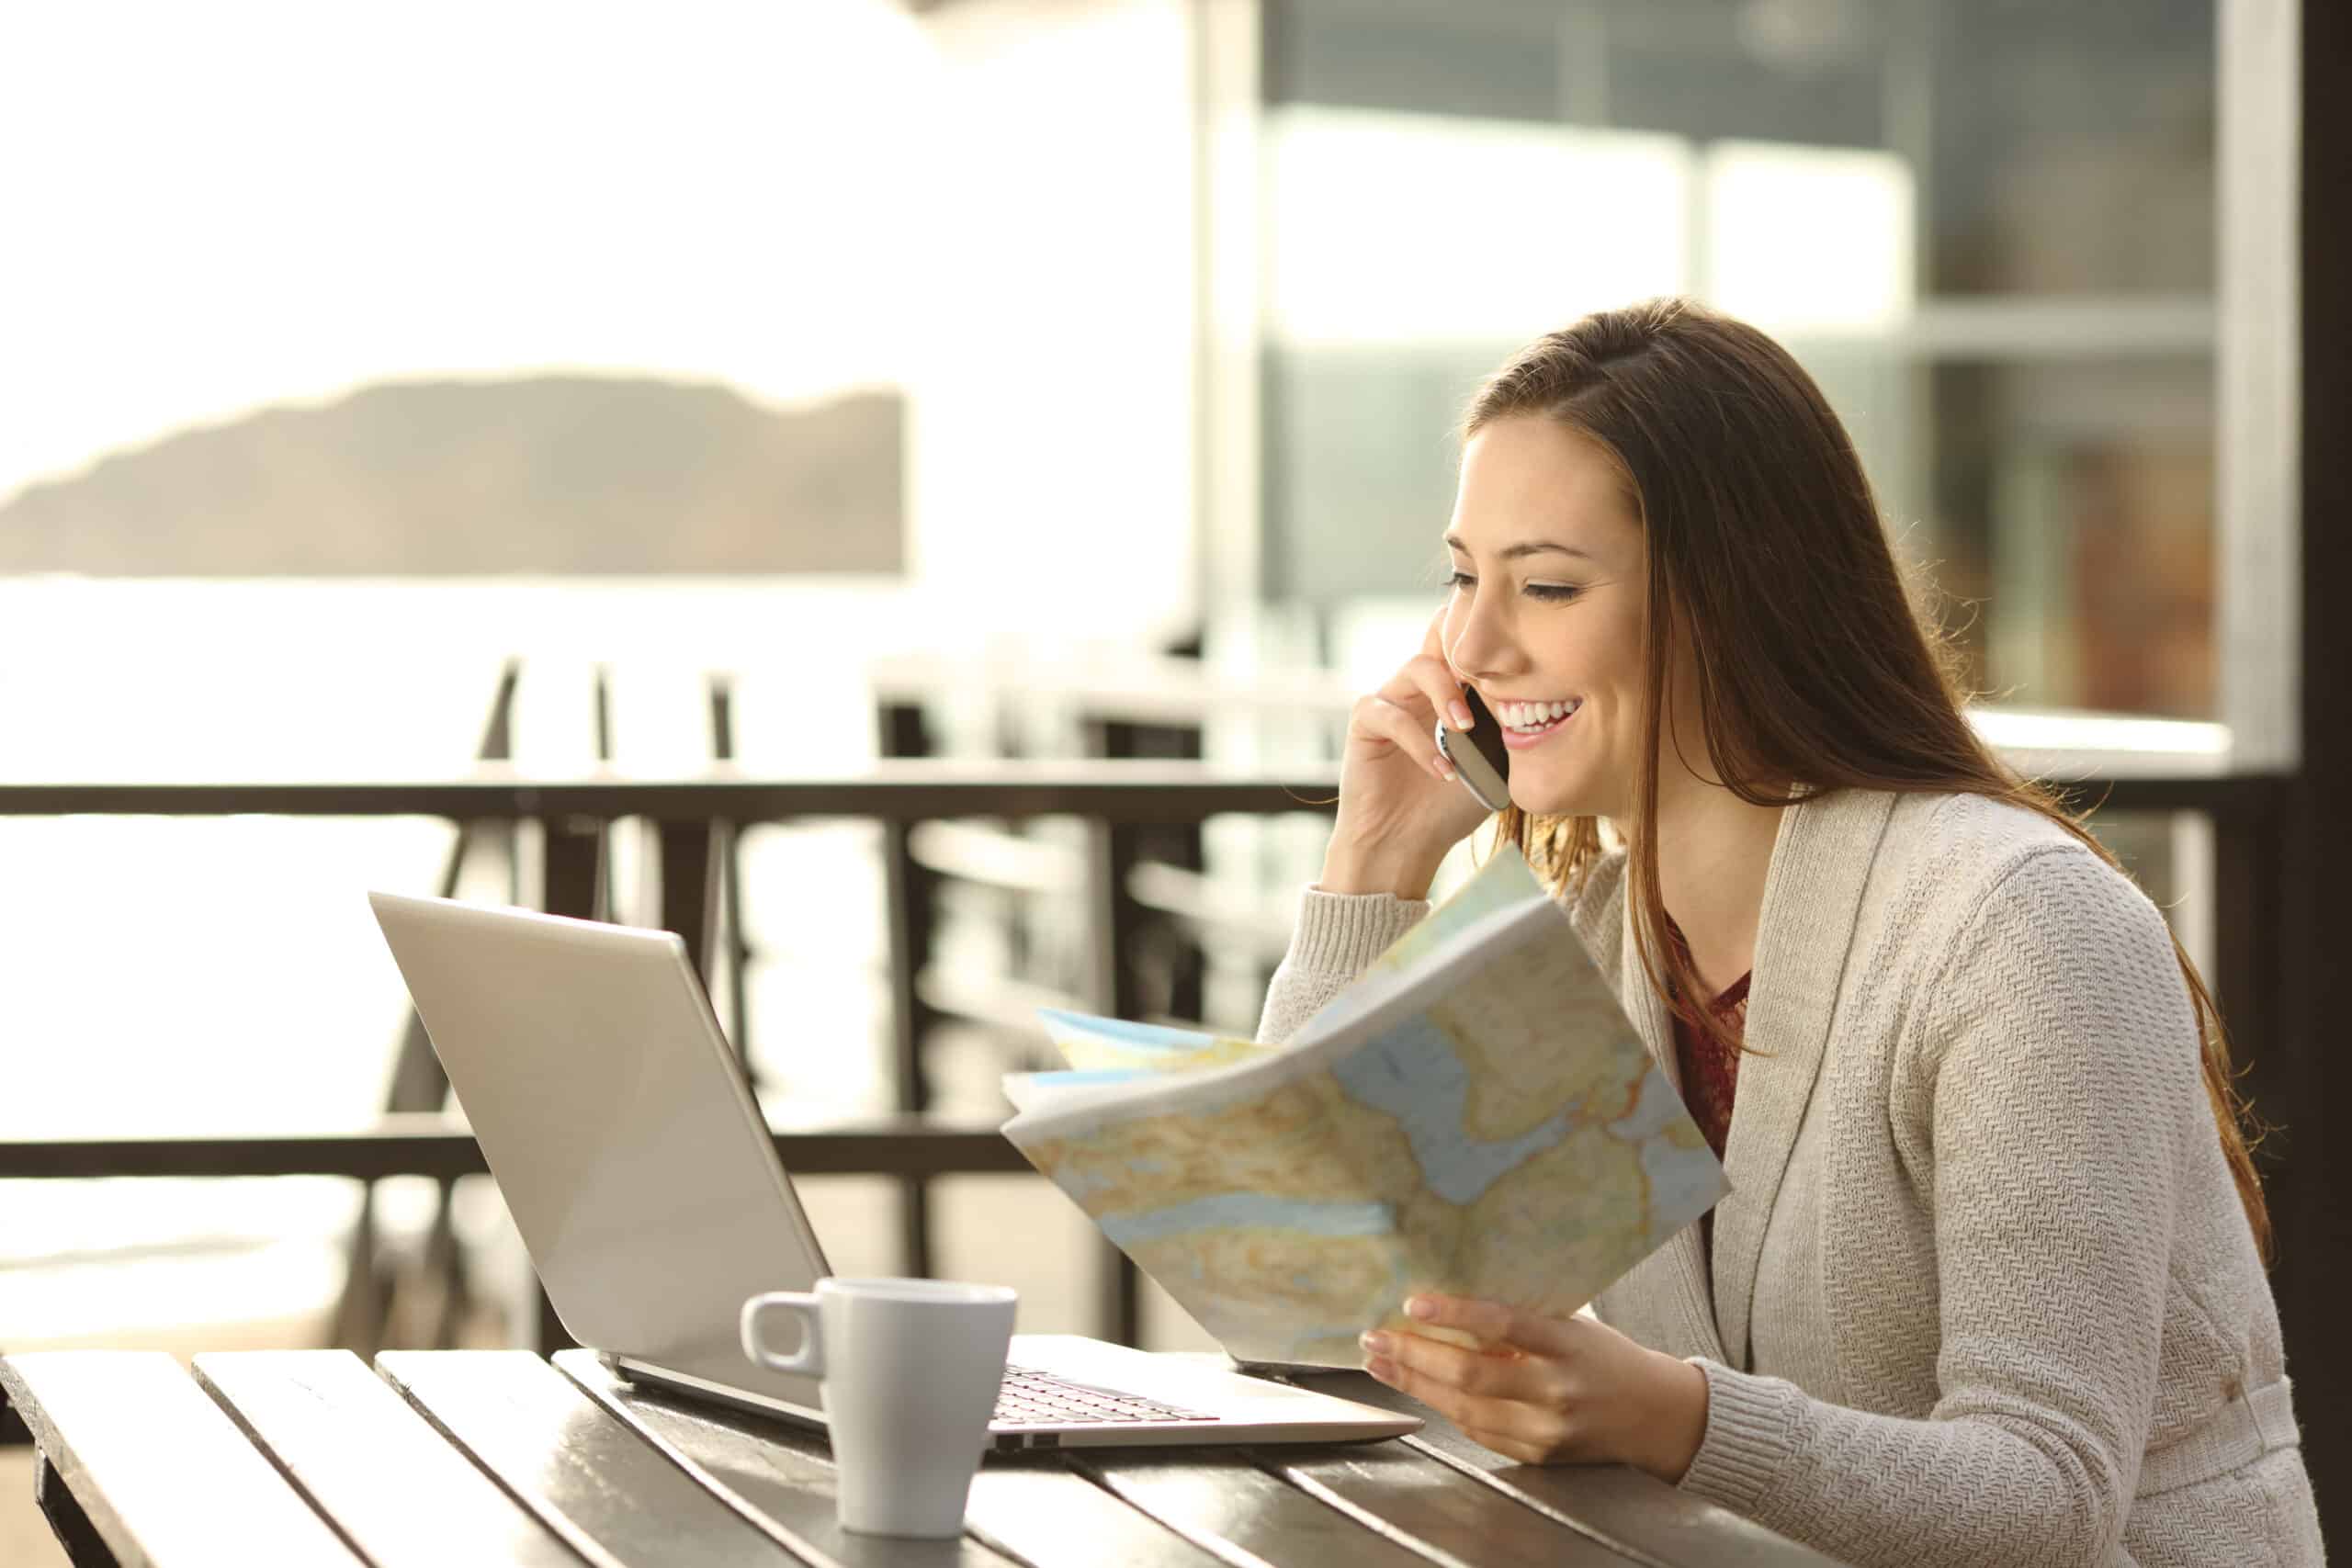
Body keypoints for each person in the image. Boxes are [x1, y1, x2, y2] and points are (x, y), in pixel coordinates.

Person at [1256, 298, 2324, 1567]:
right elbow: (1305, 1308)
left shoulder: (2020, 928)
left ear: (1734, 601)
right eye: (1462, 577)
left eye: (1544, 584)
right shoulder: (1600, 939)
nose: (1473, 645)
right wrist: (1370, 870)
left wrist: (1673, 1419)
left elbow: (2048, 1498)